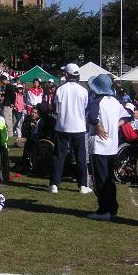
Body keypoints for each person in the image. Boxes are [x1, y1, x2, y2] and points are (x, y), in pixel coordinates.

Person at [87, 74, 130, 221]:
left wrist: (98, 126)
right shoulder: (115, 102)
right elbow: (128, 115)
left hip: (99, 145)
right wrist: (116, 124)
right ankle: (112, 208)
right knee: (109, 179)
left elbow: (92, 118)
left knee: (100, 179)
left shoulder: (96, 102)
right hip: (112, 146)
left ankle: (103, 210)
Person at [49, 63, 91, 194]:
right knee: (80, 156)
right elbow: (84, 108)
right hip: (78, 127)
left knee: (59, 156)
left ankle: (54, 184)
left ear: (67, 75)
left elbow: (56, 108)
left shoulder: (60, 89)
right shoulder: (84, 90)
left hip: (62, 126)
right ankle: (83, 185)